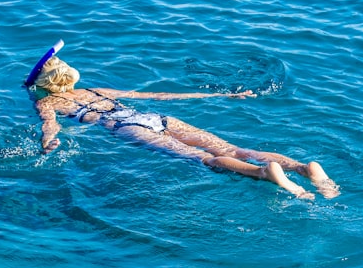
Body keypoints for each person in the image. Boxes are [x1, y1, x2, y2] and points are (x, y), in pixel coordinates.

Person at [31, 55, 339, 200]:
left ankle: (263, 173)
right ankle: (303, 168)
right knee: (235, 149)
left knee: (201, 159)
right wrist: (220, 94)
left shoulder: (47, 103)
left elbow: (50, 126)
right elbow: (157, 95)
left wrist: (49, 144)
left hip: (125, 128)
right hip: (158, 118)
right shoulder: (97, 90)